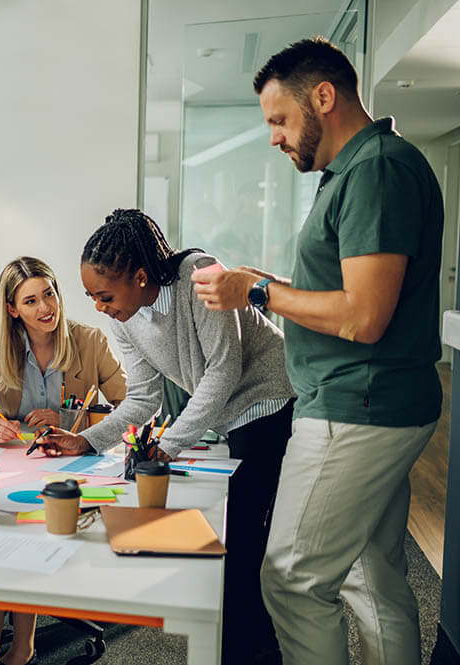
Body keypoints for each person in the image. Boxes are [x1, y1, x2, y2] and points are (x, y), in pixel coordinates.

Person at [193, 38, 444, 665]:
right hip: (373, 403)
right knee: (371, 576)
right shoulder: (359, 172)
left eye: (279, 119)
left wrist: (256, 289)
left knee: (293, 581)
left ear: (324, 97)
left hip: (353, 408)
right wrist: (263, 285)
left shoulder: (376, 170)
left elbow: (363, 315)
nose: (273, 137)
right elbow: (347, 293)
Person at [40, 209, 296, 665]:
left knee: (239, 539)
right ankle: (238, 644)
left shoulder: (199, 275)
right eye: (91, 297)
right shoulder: (124, 315)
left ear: (140, 276)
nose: (99, 307)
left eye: (104, 295)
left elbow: (223, 371)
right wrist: (90, 440)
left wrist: (169, 445)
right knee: (222, 536)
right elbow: (142, 397)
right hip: (223, 416)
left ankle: (256, 649)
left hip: (267, 400)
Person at [0, 256, 127, 665]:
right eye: (30, 301)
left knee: (23, 529)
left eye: (49, 294)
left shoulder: (89, 340)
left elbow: (131, 405)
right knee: (14, 524)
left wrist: (70, 422)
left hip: (75, 468)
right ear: (12, 309)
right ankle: (16, 645)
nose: (45, 307)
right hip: (19, 463)